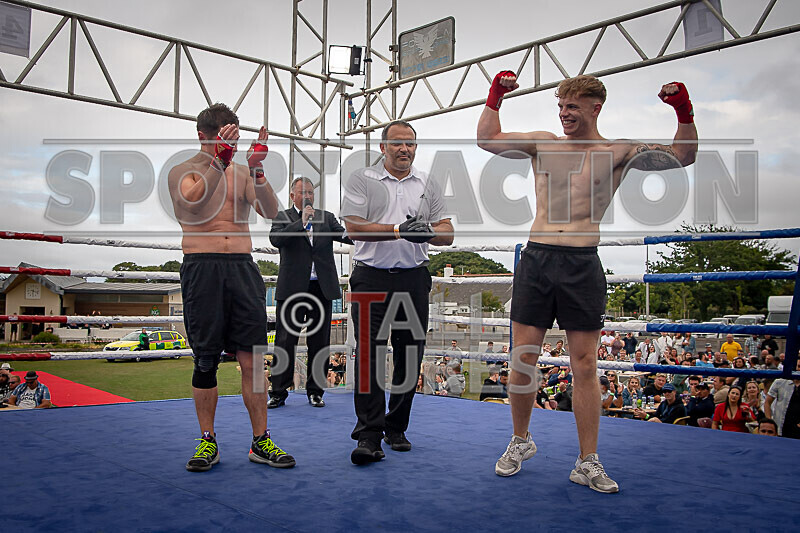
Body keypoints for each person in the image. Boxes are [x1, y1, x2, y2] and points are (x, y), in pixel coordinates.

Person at [478, 71, 697, 492]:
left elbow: (682, 155)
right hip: (537, 256)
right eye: (561, 107)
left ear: (596, 108)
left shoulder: (617, 150)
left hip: (581, 262)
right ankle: (520, 440)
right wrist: (495, 96)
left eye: (573, 107)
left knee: (585, 364)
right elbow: (487, 140)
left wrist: (682, 109)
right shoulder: (544, 143)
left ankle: (587, 460)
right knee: (523, 356)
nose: (564, 114)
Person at [167, 103, 294, 472]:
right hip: (202, 267)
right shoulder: (182, 171)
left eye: (234, 141)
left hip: (242, 267)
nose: (231, 147)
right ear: (203, 136)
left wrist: (256, 171)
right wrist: (218, 162)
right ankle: (208, 441)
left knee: (254, 361)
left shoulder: (240, 171)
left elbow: (272, 212)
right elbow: (193, 206)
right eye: (224, 141)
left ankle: (260, 441)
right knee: (205, 359)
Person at [341, 119, 454, 464]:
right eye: (397, 144)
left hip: (413, 277)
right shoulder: (363, 179)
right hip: (370, 276)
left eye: (410, 144)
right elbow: (353, 226)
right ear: (383, 147)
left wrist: (426, 234)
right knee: (369, 357)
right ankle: (369, 434)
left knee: (410, 356)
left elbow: (447, 232)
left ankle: (396, 427)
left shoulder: (428, 183)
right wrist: (397, 230)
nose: (404, 149)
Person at [268, 176, 353, 409]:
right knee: (285, 341)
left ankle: (315, 391)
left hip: (320, 287)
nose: (307, 196)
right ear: (292, 195)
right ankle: (278, 392)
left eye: (311, 193)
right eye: (302, 192)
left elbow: (345, 235)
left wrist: (365, 228)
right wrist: (301, 223)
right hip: (292, 289)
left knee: (320, 342)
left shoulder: (326, 217)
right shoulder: (283, 216)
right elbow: (276, 239)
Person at [764, 358, 800, 437]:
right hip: (781, 426)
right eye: (798, 366)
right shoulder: (780, 382)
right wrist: (769, 421)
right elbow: (767, 402)